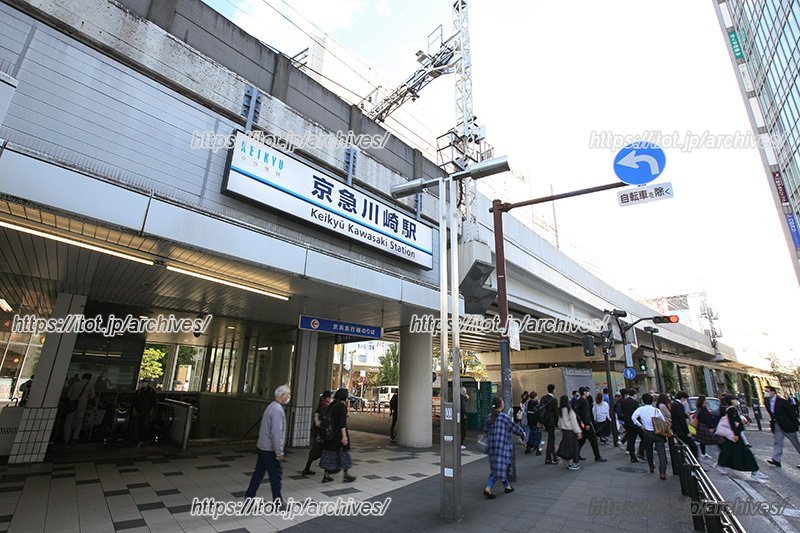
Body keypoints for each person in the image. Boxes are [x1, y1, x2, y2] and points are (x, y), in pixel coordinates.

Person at [245, 384, 290, 505]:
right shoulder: (277, 410)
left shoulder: (271, 407)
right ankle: (278, 501)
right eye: (287, 395)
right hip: (270, 449)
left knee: (258, 474)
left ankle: (249, 497)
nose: (288, 397)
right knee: (276, 475)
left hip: (263, 446)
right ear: (282, 396)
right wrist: (279, 451)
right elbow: (276, 433)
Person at [482, 396, 525, 499]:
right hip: (502, 447)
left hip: (492, 446)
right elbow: (514, 428)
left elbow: (485, 430)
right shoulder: (504, 418)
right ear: (501, 405)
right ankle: (488, 488)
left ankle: (507, 487)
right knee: (498, 469)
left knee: (498, 467)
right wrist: (522, 433)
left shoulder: (489, 417)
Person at [716, 395, 768, 480]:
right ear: (731, 401)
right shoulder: (731, 410)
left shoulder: (730, 409)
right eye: (734, 399)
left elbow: (734, 422)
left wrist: (740, 423)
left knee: (730, 451)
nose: (736, 401)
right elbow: (732, 423)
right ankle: (755, 471)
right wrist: (736, 433)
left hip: (734, 435)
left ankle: (721, 464)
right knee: (745, 453)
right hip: (735, 435)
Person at [320, 388, 356, 483]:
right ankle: (346, 475)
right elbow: (342, 423)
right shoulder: (342, 406)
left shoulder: (332, 404)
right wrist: (344, 437)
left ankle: (326, 476)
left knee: (329, 454)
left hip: (329, 434)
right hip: (338, 435)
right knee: (343, 454)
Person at [632, 393, 668, 480]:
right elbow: (663, 421)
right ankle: (662, 472)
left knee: (649, 450)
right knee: (661, 452)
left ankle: (651, 466)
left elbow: (633, 418)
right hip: (658, 432)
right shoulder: (656, 410)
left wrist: (641, 426)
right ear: (652, 401)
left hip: (647, 432)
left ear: (643, 401)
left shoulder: (640, 409)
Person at [764, 386, 800, 469]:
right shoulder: (767, 401)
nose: (766, 392)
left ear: (773, 392)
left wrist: (797, 424)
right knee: (777, 442)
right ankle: (776, 460)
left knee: (795, 443)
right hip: (776, 424)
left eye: (767, 391)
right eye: (765, 391)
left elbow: (791, 413)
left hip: (787, 425)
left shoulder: (782, 401)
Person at [302, 390, 332, 475]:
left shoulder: (321, 405)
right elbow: (323, 421)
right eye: (330, 397)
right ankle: (326, 472)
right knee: (320, 451)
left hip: (317, 432)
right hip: (321, 433)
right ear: (327, 398)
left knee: (317, 451)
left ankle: (308, 468)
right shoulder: (324, 407)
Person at [63, 373, 95, 443]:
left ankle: (66, 439)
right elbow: (92, 396)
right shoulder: (90, 385)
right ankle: (75, 438)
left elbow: (68, 394)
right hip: (82, 405)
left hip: (72, 404)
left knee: (68, 421)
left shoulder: (76, 383)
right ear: (89, 378)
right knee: (78, 422)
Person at [577, 387, 606, 462]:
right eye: (586, 392)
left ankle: (576, 455)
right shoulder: (584, 401)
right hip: (586, 424)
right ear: (584, 392)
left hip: (582, 424)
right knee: (593, 441)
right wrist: (587, 423)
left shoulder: (579, 400)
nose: (587, 393)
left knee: (582, 441)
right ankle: (597, 457)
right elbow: (585, 414)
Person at [556, 394, 583, 470]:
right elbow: (574, 422)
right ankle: (575, 463)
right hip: (571, 431)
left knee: (566, 447)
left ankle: (569, 461)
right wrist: (578, 432)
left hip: (564, 431)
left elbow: (558, 423)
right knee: (574, 447)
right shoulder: (569, 410)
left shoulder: (560, 410)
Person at [671, 391, 698, 459]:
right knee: (693, 446)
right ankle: (694, 461)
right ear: (682, 398)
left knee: (682, 447)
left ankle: (685, 461)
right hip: (682, 431)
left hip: (677, 430)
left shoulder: (674, 404)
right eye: (685, 399)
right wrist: (687, 432)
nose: (686, 401)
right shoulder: (679, 405)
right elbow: (682, 420)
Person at [132, 378, 158, 446]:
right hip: (139, 410)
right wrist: (134, 410)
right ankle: (136, 439)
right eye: (144, 382)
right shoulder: (139, 391)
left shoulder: (152, 392)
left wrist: (151, 411)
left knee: (145, 425)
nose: (144, 383)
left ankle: (143, 439)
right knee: (136, 425)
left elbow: (153, 402)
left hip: (147, 411)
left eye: (146, 382)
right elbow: (134, 402)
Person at [621, 389, 643, 463]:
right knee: (643, 437)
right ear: (634, 394)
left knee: (631, 440)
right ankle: (641, 452)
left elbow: (622, 411)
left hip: (627, 422)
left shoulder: (624, 401)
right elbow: (638, 413)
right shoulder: (635, 402)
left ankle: (632, 456)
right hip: (635, 423)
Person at [694, 395, 719, 460]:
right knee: (714, 439)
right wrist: (711, 426)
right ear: (703, 401)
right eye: (705, 399)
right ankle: (704, 453)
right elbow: (707, 418)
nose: (707, 401)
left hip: (700, 426)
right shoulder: (703, 409)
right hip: (704, 426)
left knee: (702, 441)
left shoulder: (699, 409)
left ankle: (703, 453)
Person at [541, 384, 559, 464]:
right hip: (551, 422)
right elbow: (556, 413)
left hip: (545, 421)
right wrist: (558, 422)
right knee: (551, 439)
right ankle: (549, 458)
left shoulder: (543, 398)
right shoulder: (554, 400)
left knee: (552, 438)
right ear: (553, 390)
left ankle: (554, 456)